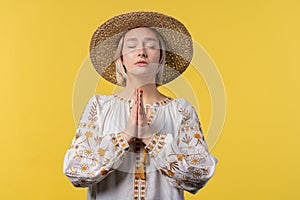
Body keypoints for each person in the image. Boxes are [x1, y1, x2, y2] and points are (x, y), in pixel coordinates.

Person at [63, 11, 218, 200]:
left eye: (151, 46)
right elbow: (77, 172)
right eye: (131, 46)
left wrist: (151, 139)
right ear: (121, 59)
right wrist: (126, 136)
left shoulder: (180, 110)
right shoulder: (99, 107)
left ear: (161, 58)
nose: (142, 51)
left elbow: (198, 175)